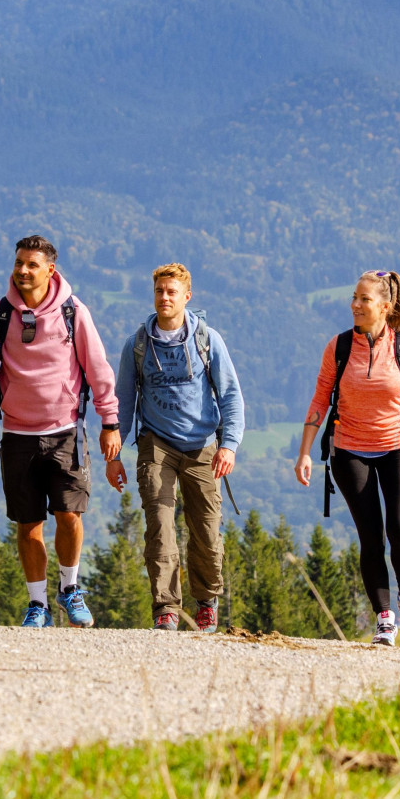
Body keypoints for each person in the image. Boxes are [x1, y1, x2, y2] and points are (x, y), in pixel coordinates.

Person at [0, 235, 121, 628]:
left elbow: (98, 369)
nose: (22, 271)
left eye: (31, 265)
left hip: (66, 431)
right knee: (28, 523)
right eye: (18, 263)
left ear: (50, 270)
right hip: (17, 435)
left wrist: (110, 422)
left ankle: (69, 588)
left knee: (70, 515)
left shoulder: (73, 312)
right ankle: (38, 604)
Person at [292, 270, 400, 645]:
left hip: (399, 448)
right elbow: (320, 399)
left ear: (385, 306)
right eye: (354, 297)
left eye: (364, 299)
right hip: (349, 451)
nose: (355, 305)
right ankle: (384, 618)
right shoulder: (339, 347)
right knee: (371, 538)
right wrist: (304, 452)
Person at [108, 263, 244, 632]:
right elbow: (122, 401)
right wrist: (114, 455)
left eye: (172, 292)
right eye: (159, 291)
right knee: (160, 526)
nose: (164, 298)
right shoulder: (137, 344)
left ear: (187, 296)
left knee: (206, 529)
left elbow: (230, 394)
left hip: (203, 446)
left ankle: (206, 602)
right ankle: (166, 608)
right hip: (156, 445)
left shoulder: (207, 339)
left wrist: (228, 444)